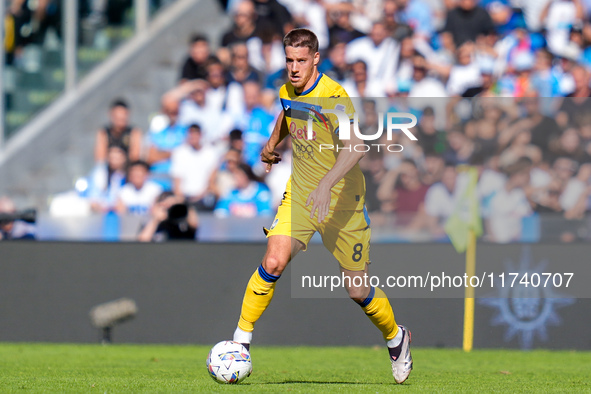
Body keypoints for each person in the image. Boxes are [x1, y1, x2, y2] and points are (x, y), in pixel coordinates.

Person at [230, 28, 412, 384]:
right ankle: (240, 343)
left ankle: (396, 338)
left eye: (300, 61)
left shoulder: (335, 97)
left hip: (342, 201)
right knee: (273, 260)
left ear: (316, 59)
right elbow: (287, 113)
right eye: (288, 61)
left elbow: (356, 146)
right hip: (301, 195)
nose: (294, 68)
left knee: (358, 290)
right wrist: (271, 145)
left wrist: (328, 183)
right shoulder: (286, 90)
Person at [94, 99, 142, 163]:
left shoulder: (134, 132)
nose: (120, 120)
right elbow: (99, 157)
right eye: (117, 117)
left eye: (123, 117)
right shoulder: (104, 132)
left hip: (127, 168)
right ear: (111, 115)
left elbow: (135, 157)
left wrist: (121, 159)